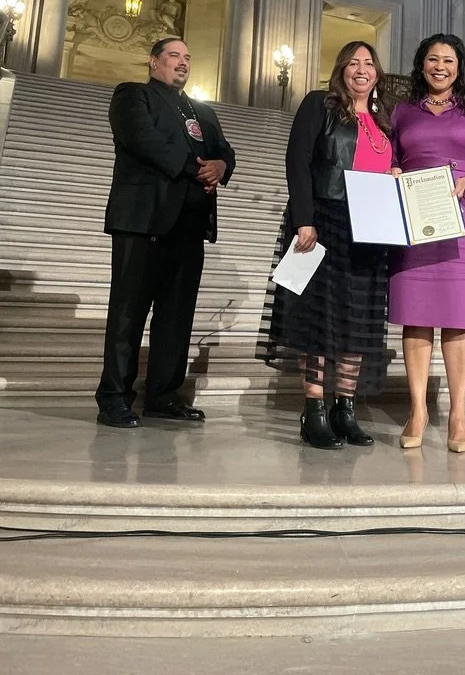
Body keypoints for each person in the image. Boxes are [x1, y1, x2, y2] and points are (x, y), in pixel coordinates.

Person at [95, 38, 236, 428]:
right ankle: (114, 397)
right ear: (154, 62)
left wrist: (222, 166)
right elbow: (143, 140)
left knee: (176, 316)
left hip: (189, 226)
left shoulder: (201, 110)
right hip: (143, 221)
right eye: (174, 55)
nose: (183, 62)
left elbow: (225, 150)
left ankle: (163, 394)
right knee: (128, 313)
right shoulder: (133, 95)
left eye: (188, 57)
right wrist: (197, 168)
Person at [265, 42, 392, 449]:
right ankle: (315, 410)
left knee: (357, 322)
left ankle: (345, 409)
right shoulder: (319, 104)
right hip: (324, 220)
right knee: (318, 320)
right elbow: (297, 159)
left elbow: (382, 167)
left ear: (377, 74)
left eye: (369, 63)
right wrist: (304, 218)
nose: (362, 69)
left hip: (369, 231)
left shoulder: (382, 120)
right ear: (341, 69)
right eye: (353, 62)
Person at [389, 34, 465, 453]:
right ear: (421, 64)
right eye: (433, 59)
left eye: (449, 60)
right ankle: (417, 411)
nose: (440, 66)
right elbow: (392, 155)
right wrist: (394, 171)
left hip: (464, 220)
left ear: (460, 66)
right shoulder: (403, 111)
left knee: (458, 319)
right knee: (415, 317)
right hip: (414, 221)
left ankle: (458, 414)